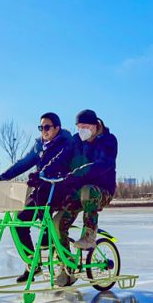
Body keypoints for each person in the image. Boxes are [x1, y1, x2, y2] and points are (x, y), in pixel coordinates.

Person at [41, 109, 118, 286]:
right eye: (78, 127)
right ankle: (67, 268)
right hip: (78, 190)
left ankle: (90, 233)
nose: (80, 130)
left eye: (84, 126)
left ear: (94, 126)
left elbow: (104, 164)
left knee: (87, 191)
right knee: (57, 223)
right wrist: (44, 172)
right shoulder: (76, 141)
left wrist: (79, 173)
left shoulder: (109, 140)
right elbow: (61, 158)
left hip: (101, 190)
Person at [0, 113, 72, 283]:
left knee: (47, 216)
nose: (43, 131)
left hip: (59, 188)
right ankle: (32, 265)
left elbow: (60, 162)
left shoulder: (67, 143)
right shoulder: (38, 146)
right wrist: (4, 176)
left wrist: (44, 174)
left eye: (47, 127)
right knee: (19, 222)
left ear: (57, 128)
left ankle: (50, 238)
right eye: (41, 127)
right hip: (39, 190)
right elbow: (23, 163)